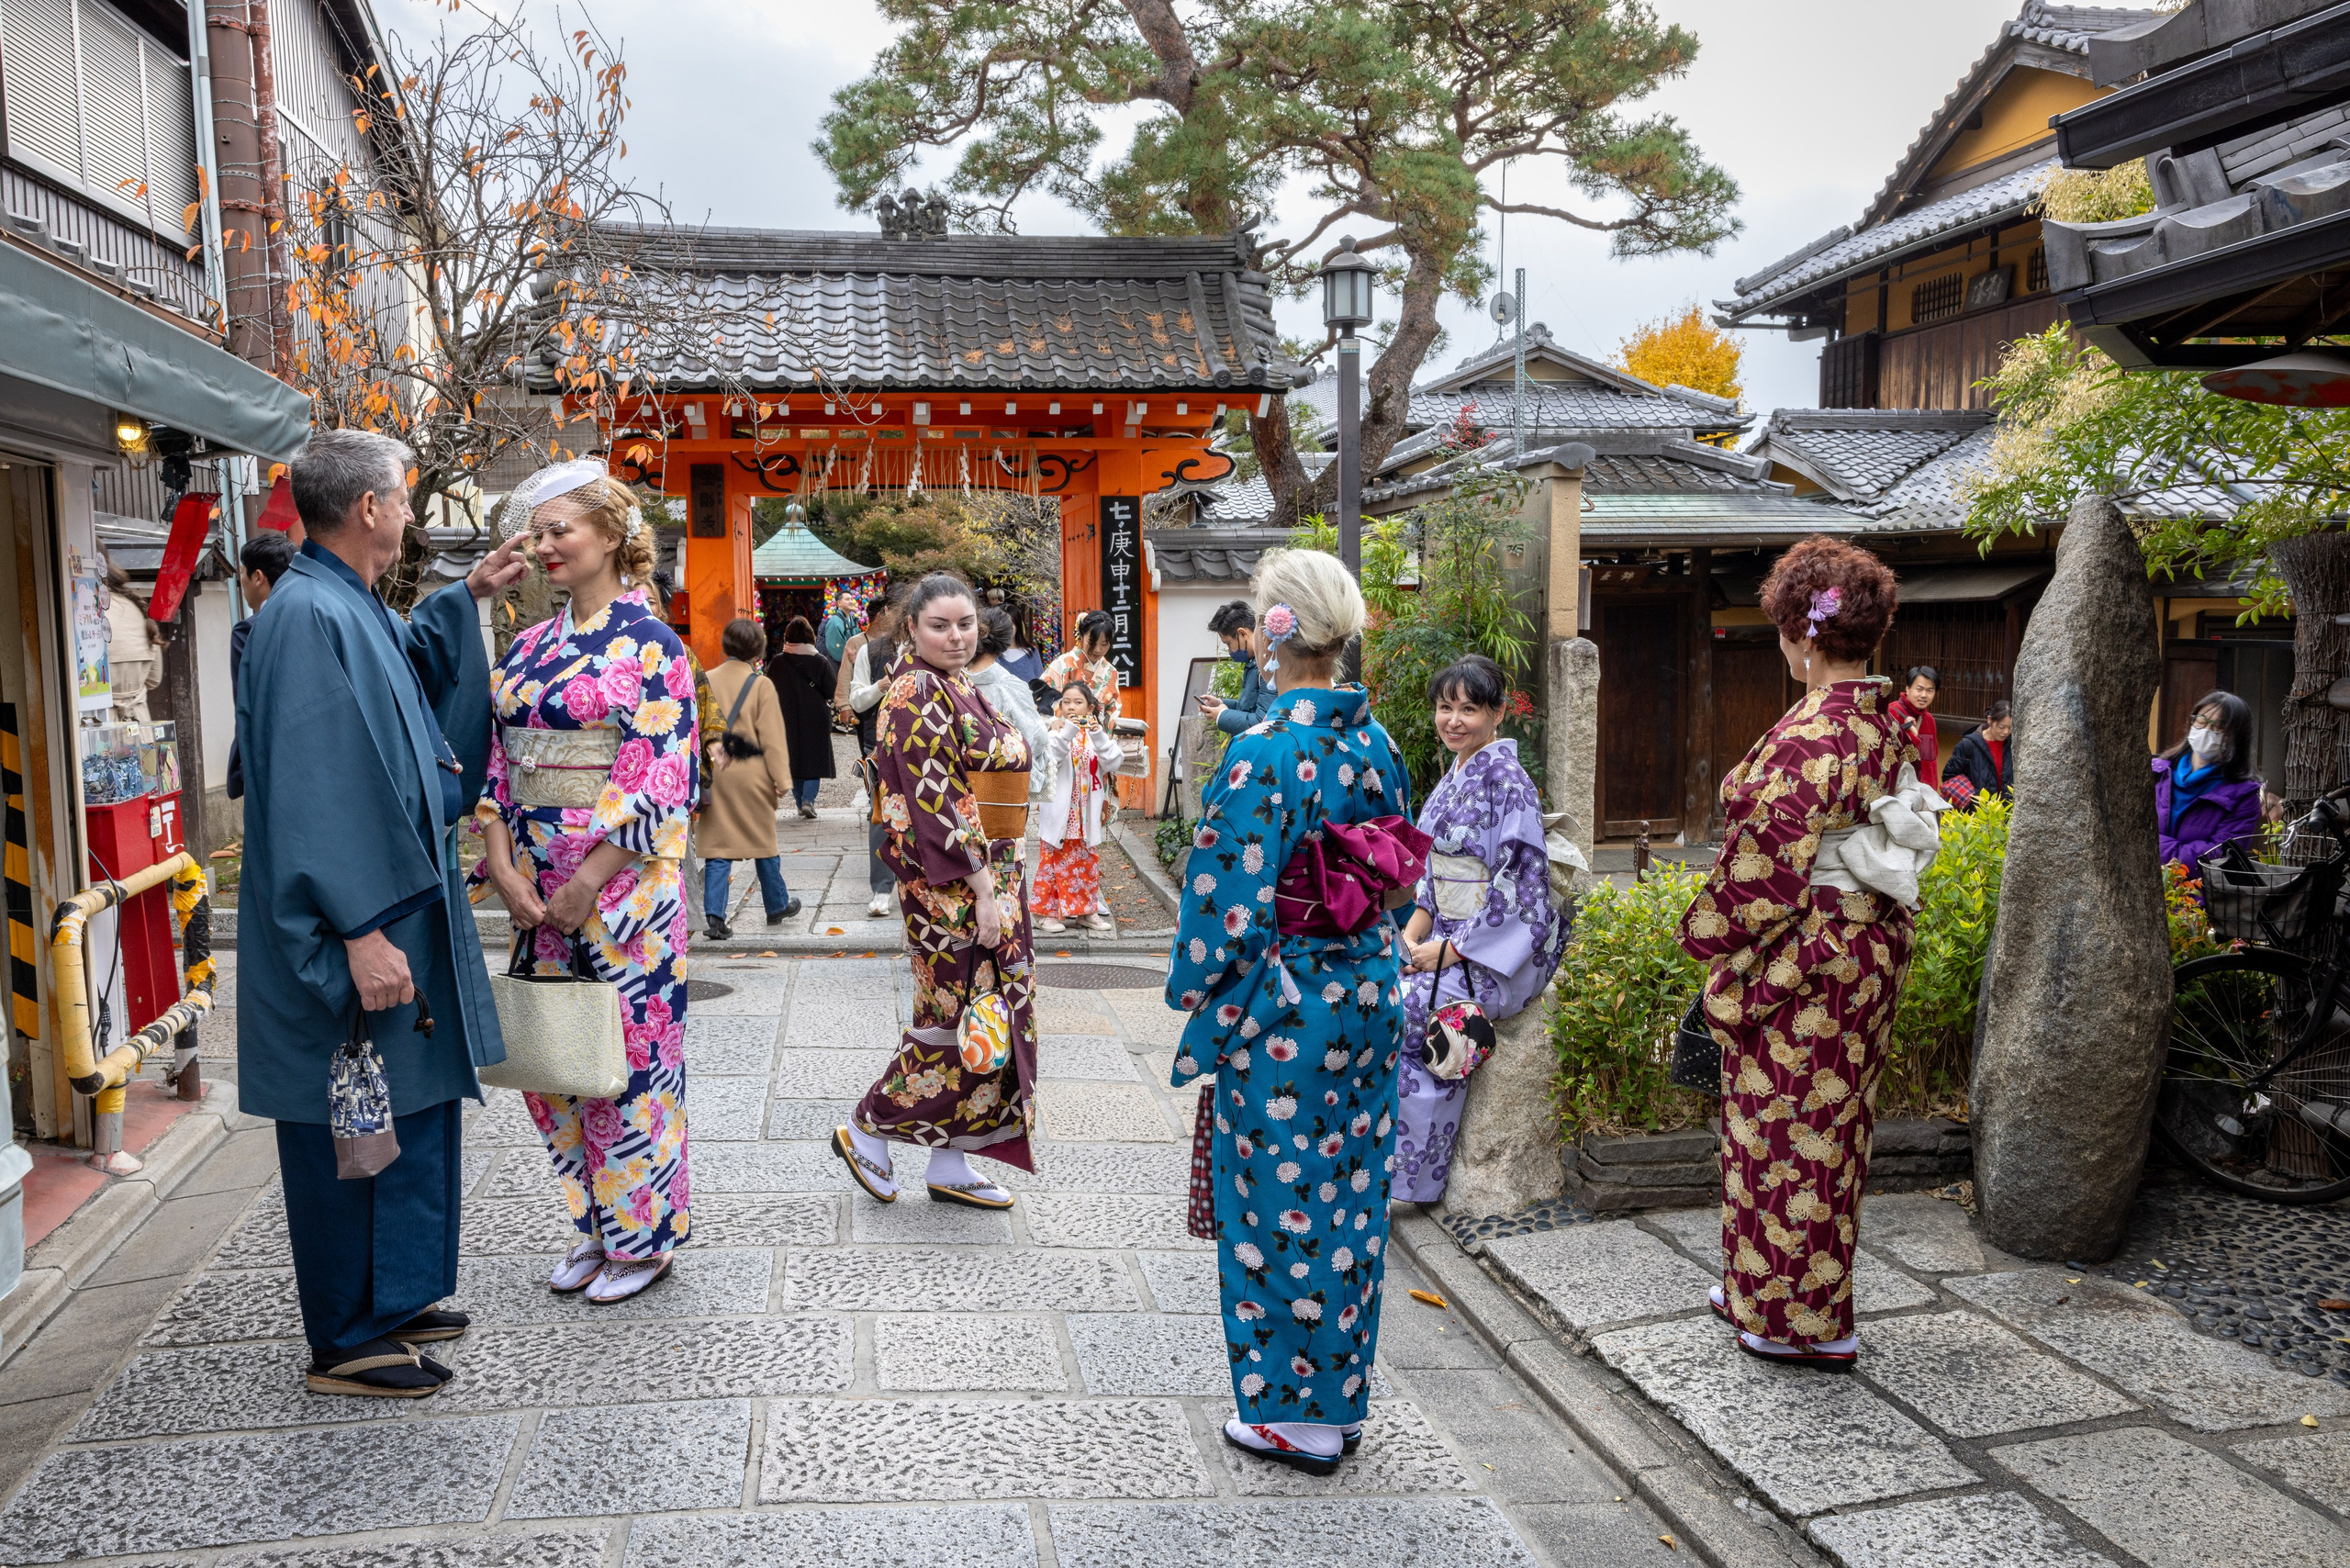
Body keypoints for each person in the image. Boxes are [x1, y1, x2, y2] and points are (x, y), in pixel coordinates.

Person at [237, 428, 525, 1397]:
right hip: (354, 918)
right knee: (347, 1113)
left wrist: (469, 594)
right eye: (402, 497)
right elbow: (316, 787)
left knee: (403, 1098)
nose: (408, 511)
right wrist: (359, 928)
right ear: (369, 508)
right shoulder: (305, 615)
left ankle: (393, 1294)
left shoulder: (341, 598)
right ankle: (346, 1333)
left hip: (394, 904)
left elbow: (414, 660)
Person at [1162, 547, 1414, 1476]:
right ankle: (1337, 1402)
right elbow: (1395, 876)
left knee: (1279, 1200)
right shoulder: (1378, 743)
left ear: (1274, 633)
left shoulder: (1262, 751)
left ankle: (1291, 1413)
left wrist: (1198, 988)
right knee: (1350, 1197)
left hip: (1287, 1006)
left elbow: (1222, 899)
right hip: (1369, 990)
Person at [1676, 534, 1922, 1372]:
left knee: (1785, 1130)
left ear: (1802, 634)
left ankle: (1800, 1321)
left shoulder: (1810, 735)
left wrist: (1704, 934)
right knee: (1828, 1126)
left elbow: (1763, 870)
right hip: (1869, 942)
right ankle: (1759, 1285)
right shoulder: (1882, 725)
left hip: (1808, 951)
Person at [476, 459, 698, 1306]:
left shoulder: (653, 644)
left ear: (610, 533)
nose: (544, 546)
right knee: (558, 1059)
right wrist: (502, 864)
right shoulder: (529, 644)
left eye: (559, 529)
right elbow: (498, 760)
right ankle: (595, 1226)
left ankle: (643, 1239)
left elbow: (661, 776)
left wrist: (587, 884)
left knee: (631, 1065)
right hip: (534, 887)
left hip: (623, 895)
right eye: (536, 533)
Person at [834, 573, 1036, 1210]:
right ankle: (869, 1127)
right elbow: (937, 801)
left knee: (980, 1014)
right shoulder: (917, 690)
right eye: (939, 626)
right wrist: (983, 890)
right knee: (956, 1016)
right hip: (955, 883)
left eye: (965, 624)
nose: (956, 636)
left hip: (989, 873)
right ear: (912, 629)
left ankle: (950, 1159)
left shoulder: (956, 684)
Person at [1393, 654, 1567, 1203]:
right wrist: (1412, 937)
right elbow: (1431, 883)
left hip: (1498, 955)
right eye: (1445, 707)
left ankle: (1412, 1180)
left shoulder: (1509, 783)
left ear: (1497, 714)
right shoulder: (1450, 781)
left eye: (1469, 709)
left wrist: (1449, 951)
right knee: (1373, 990)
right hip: (1447, 939)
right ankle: (1388, 1167)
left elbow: (1521, 888)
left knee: (1406, 1010)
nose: (1454, 720)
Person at [702, 617, 800, 938]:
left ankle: (715, 917)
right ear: (758, 650)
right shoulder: (761, 685)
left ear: (725, 645)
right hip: (752, 772)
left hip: (718, 771)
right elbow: (773, 738)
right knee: (763, 841)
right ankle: (777, 904)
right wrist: (783, 780)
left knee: (719, 845)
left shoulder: (706, 679)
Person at [1033, 680, 1123, 934]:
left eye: (1078, 702)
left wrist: (1099, 735)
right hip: (1061, 813)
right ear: (1060, 707)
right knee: (1052, 862)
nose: (1071, 707)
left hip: (1085, 815)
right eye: (1067, 702)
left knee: (1086, 862)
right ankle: (1044, 914)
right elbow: (1051, 759)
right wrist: (1067, 732)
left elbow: (1114, 761)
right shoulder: (1054, 733)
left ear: (1090, 708)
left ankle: (1086, 912)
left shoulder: (1096, 736)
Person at [845, 587, 907, 917]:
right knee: (880, 816)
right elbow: (856, 700)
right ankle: (882, 890)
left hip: (922, 745)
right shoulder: (871, 651)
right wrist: (880, 687)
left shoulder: (931, 649)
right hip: (879, 746)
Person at [2153, 690, 2263, 872]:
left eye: (2218, 727)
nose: (2206, 731)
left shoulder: (2244, 796)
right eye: (2201, 721)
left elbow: (2220, 856)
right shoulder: (2155, 773)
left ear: (2236, 737)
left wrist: (2155, 847)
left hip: (2194, 889)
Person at [224, 529, 297, 801]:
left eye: (242, 573)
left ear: (258, 577)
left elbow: (248, 706)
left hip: (268, 764)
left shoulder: (248, 632)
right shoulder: (316, 616)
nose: (240, 581)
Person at [766, 614, 838, 820]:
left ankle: (799, 803)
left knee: (794, 758)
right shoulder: (819, 660)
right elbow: (831, 690)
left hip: (785, 716)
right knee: (814, 757)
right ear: (810, 636)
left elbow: (769, 689)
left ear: (788, 636)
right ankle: (808, 800)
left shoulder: (778, 662)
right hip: (815, 715)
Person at [968, 606, 1050, 771]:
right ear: (1005, 641)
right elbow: (1035, 739)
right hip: (1006, 779)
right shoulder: (1009, 687)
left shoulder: (954, 680)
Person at [102, 560, 163, 723]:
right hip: (138, 722)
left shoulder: (83, 609)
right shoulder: (136, 607)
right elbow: (154, 679)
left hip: (100, 723)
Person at [1196, 600, 1270, 734]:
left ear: (1242, 634)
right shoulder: (1254, 663)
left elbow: (1263, 722)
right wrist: (1220, 703)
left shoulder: (1268, 666)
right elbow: (1247, 708)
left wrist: (1222, 715)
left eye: (1228, 644)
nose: (1230, 651)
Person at [1043, 609, 1121, 722]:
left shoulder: (1111, 672)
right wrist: (1053, 722)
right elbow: (1042, 700)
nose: (1097, 650)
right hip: (1064, 728)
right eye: (1092, 643)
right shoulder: (1063, 664)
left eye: (1104, 644)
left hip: (1097, 730)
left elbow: (1113, 712)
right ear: (1082, 636)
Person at [1942, 701, 2016, 810]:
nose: (2006, 732)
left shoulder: (2013, 744)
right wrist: (1971, 800)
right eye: (2001, 727)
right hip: (1976, 812)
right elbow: (1949, 776)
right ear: (1990, 720)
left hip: (2006, 811)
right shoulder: (1968, 744)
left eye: (2011, 728)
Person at [1886, 665, 1940, 786]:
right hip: (1900, 788)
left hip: (1924, 790)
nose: (1924, 695)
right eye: (1919, 689)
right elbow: (1888, 755)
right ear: (1908, 688)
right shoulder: (1891, 713)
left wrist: (1932, 789)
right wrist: (1910, 735)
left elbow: (1932, 761)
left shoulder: (1929, 720)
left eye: (1930, 691)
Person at [997, 604, 1045, 684]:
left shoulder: (1031, 653)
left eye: (1011, 623)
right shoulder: (992, 655)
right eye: (1004, 624)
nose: (1008, 628)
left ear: (1017, 625)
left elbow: (1040, 684)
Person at [818, 597, 856, 664]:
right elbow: (835, 648)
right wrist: (849, 656)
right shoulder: (835, 622)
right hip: (838, 662)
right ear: (839, 603)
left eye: (851, 599)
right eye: (847, 599)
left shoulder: (853, 619)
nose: (851, 602)